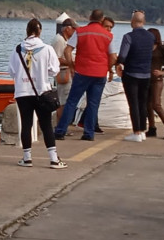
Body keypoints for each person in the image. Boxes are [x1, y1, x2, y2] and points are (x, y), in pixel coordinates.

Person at [8, 18, 67, 169]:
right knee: (46, 124)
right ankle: (54, 159)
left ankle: (27, 158)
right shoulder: (47, 49)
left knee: (26, 124)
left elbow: (12, 72)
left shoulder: (17, 50)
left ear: (27, 31)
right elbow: (54, 70)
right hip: (41, 91)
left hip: (22, 92)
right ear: (40, 32)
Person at [54, 9, 116, 141]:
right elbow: (113, 56)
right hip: (99, 74)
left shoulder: (80, 32)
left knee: (72, 101)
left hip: (82, 72)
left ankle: (60, 131)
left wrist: (71, 66)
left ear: (89, 17)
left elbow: (67, 50)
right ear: (101, 20)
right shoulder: (108, 35)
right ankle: (89, 133)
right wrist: (108, 68)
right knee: (93, 103)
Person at [115, 10, 155, 142]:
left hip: (131, 73)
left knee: (133, 103)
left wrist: (118, 64)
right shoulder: (151, 37)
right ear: (143, 22)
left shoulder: (128, 36)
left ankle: (136, 131)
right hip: (146, 74)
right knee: (142, 102)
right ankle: (142, 130)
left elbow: (123, 56)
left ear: (132, 22)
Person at [52, 18, 78, 122]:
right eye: (74, 29)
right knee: (63, 101)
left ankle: (63, 125)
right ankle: (61, 125)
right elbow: (56, 59)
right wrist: (71, 63)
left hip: (66, 71)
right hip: (63, 72)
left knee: (65, 99)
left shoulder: (64, 40)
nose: (75, 31)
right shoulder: (59, 40)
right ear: (67, 29)